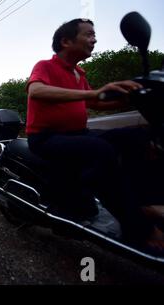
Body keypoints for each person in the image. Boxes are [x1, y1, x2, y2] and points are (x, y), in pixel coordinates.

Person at [25, 18, 164, 252]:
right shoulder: (45, 66)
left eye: (94, 35)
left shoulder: (79, 73)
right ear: (66, 41)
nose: (94, 39)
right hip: (45, 138)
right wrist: (97, 92)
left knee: (136, 137)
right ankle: (139, 229)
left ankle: (144, 203)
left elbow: (94, 102)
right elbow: (36, 91)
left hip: (78, 134)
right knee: (101, 151)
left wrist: (133, 94)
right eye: (88, 35)